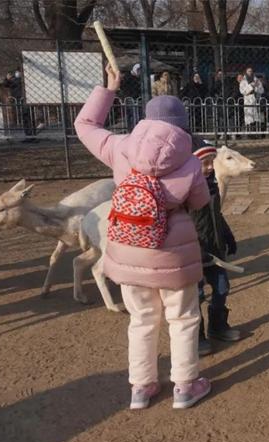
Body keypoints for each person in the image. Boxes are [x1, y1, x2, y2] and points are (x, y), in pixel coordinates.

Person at [74, 65, 212, 410]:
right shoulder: (191, 161)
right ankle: (184, 386)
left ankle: (141, 388)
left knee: (141, 319)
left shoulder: (119, 147)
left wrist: (109, 88)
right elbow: (200, 203)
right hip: (173, 252)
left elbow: (84, 125)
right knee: (182, 318)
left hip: (128, 245)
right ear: (182, 125)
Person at [190, 138, 241, 356]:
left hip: (216, 249)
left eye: (212, 161)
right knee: (197, 294)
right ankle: (197, 335)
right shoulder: (186, 191)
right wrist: (195, 247)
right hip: (195, 253)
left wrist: (228, 236)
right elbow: (184, 223)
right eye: (205, 163)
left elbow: (216, 214)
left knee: (222, 287)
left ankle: (217, 325)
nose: (211, 167)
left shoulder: (211, 186)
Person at [239, 67, 264, 134]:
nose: (250, 72)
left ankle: (257, 133)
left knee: (256, 117)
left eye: (251, 71)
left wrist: (256, 88)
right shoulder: (243, 81)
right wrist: (251, 86)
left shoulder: (256, 80)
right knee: (249, 117)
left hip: (255, 99)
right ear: (246, 72)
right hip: (248, 99)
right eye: (249, 71)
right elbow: (242, 91)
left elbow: (261, 90)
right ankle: (249, 133)